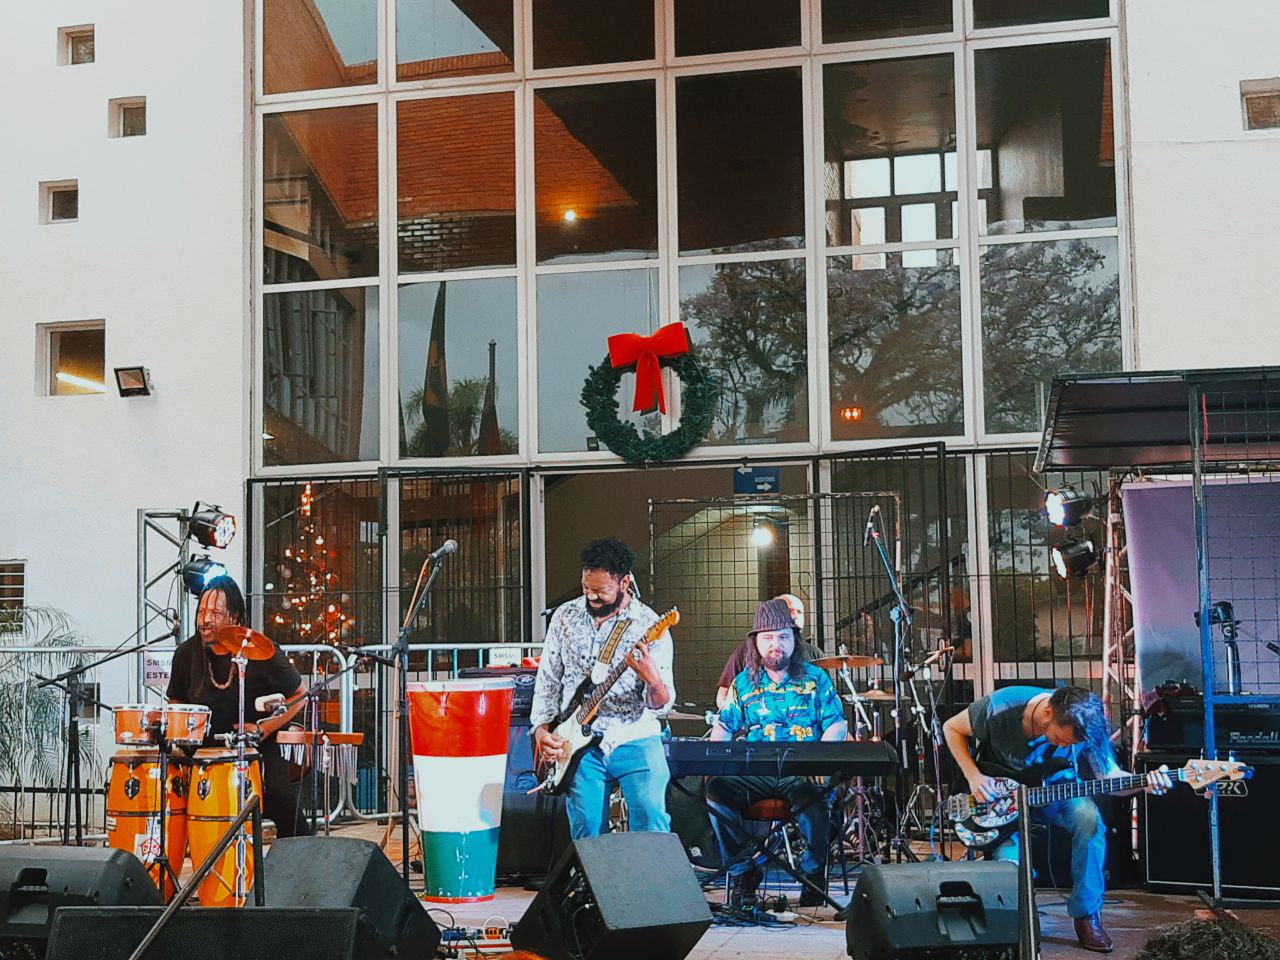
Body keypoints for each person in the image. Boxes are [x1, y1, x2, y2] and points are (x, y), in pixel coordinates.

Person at [942, 685, 1172, 953]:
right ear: (1048, 712)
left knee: (1090, 821)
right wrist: (974, 777)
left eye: (1069, 744)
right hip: (1000, 800)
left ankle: (1086, 914)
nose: (1064, 747)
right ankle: (1018, 920)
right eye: (1060, 739)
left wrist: (1144, 783)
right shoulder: (1001, 706)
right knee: (1009, 865)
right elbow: (951, 728)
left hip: (1056, 791)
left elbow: (1109, 779)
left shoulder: (1087, 726)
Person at [707, 597, 848, 910]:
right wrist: (711, 758)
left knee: (814, 794)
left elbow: (837, 723)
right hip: (757, 772)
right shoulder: (743, 683)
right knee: (716, 791)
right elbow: (724, 727)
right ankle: (744, 871)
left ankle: (813, 876)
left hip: (802, 772)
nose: (776, 645)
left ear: (794, 641)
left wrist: (821, 759)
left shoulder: (815, 678)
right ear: (756, 643)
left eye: (783, 637)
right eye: (768, 638)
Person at [531, 537, 675, 838]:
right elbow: (548, 681)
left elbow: (662, 704)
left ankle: (650, 884)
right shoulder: (565, 617)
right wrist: (542, 731)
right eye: (586, 588)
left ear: (624, 583)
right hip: (578, 740)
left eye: (601, 591)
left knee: (651, 818)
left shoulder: (647, 624)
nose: (591, 597)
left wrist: (652, 679)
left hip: (634, 735)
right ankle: (593, 885)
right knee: (586, 829)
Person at [167, 575, 311, 837]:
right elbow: (175, 702)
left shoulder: (260, 650)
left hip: (260, 742)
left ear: (234, 617)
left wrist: (263, 728)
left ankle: (302, 859)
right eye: (201, 611)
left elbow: (300, 695)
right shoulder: (186, 654)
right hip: (205, 746)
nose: (205, 619)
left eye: (215, 612)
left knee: (280, 795)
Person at [715, 593, 806, 710]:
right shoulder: (743, 662)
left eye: (799, 612)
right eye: (768, 637)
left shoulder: (814, 659)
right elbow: (723, 694)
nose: (795, 616)